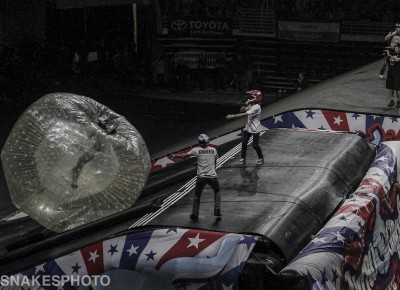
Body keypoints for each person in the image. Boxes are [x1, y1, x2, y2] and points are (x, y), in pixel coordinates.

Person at [170, 134, 221, 221]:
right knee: (217, 191)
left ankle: (194, 214)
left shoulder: (196, 150)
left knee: (197, 195)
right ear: (208, 141)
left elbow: (184, 156)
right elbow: (214, 161)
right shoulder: (213, 150)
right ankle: (217, 209)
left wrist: (174, 155)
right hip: (212, 176)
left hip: (201, 177)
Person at [71, 115, 117, 188]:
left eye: (103, 122)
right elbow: (87, 136)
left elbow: (101, 142)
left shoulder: (102, 131)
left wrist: (112, 133)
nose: (100, 123)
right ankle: (74, 176)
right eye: (101, 121)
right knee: (79, 163)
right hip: (87, 149)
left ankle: (74, 177)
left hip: (91, 151)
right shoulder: (96, 128)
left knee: (80, 164)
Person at [226, 90, 264, 165]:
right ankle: (243, 158)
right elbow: (241, 110)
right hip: (248, 127)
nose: (250, 98)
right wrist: (246, 104)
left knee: (255, 145)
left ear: (256, 98)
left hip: (255, 128)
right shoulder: (251, 105)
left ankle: (261, 158)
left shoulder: (257, 107)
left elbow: (244, 114)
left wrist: (233, 116)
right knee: (244, 143)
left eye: (251, 97)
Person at [385, 43, 400, 107]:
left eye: (396, 48)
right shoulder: (392, 54)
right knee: (390, 88)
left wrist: (389, 55)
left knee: (397, 88)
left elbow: (397, 60)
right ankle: (392, 101)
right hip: (390, 73)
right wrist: (386, 56)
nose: (395, 49)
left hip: (397, 73)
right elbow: (385, 63)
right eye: (395, 48)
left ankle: (398, 101)